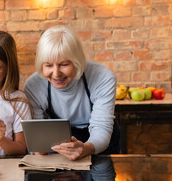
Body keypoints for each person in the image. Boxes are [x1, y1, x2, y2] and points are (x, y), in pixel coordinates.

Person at [24, 25, 119, 161]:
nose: (56, 74)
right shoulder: (34, 86)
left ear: (77, 61)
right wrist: (38, 149)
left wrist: (86, 149)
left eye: (64, 64)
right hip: (56, 152)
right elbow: (37, 134)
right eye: (48, 65)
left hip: (101, 151)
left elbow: (101, 127)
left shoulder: (103, 77)